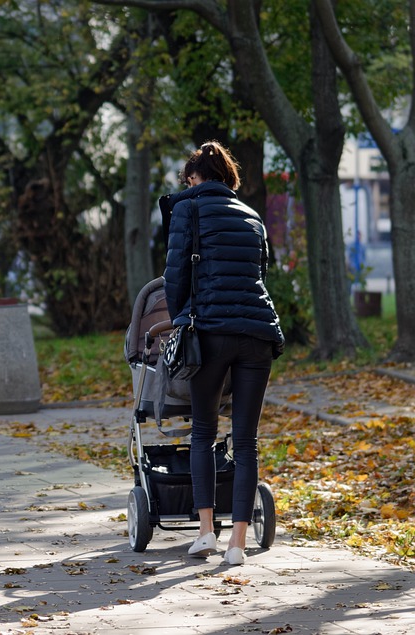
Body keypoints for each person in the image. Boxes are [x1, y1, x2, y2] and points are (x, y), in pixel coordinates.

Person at [163, 141, 285, 566]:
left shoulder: (186, 209)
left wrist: (182, 322)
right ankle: (238, 544)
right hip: (258, 333)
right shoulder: (253, 216)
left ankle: (205, 534)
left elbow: (175, 276)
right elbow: (261, 274)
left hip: (210, 332)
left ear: (194, 178)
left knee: (202, 431)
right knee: (246, 439)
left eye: (188, 180)